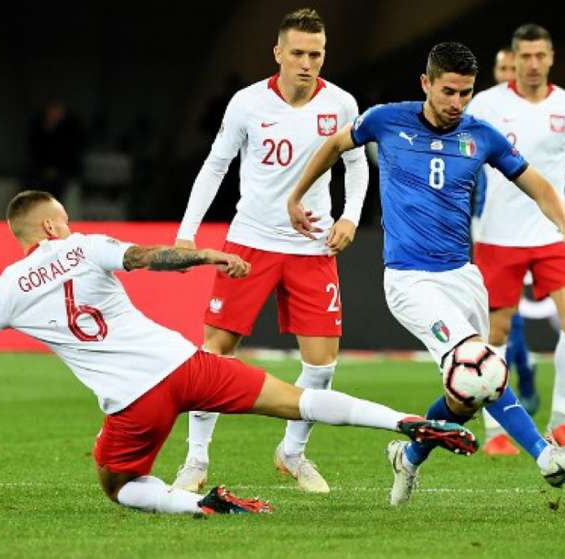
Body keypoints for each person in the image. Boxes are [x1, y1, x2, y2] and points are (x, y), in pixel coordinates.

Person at [0, 191, 477, 516]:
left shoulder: (5, 289)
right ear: (52, 228)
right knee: (300, 402)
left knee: (116, 485)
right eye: (63, 220)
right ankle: (403, 421)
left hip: (133, 404)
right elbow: (148, 258)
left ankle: (197, 506)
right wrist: (212, 256)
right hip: (185, 364)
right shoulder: (86, 246)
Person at [287, 42, 565, 506]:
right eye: (448, 91)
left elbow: (535, 181)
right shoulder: (384, 120)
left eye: (466, 93)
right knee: (481, 369)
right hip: (411, 280)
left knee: (464, 397)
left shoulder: (481, 135)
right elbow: (334, 145)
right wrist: (298, 196)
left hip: (463, 277)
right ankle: (545, 456)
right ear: (426, 84)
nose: (457, 103)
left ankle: (408, 458)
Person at [172, 8, 369, 494]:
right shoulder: (247, 103)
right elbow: (215, 165)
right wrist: (186, 234)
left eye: (316, 54)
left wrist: (349, 217)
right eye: (298, 53)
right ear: (278, 53)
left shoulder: (342, 104)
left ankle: (293, 452)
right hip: (250, 242)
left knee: (322, 362)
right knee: (215, 353)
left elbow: (358, 165)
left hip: (312, 246)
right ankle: (195, 459)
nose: (307, 63)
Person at [467, 24, 565, 449]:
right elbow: (465, 168)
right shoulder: (486, 104)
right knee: (497, 332)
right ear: (514, 58)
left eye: (539, 56)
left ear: (551, 58)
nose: (531, 64)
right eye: (524, 56)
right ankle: (494, 432)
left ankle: (561, 419)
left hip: (553, 234)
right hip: (497, 235)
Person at [472, 45, 538, 456]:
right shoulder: (480, 116)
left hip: (525, 231)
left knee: (505, 322)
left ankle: (520, 377)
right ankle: (515, 381)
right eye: (501, 68)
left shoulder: (520, 125)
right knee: (495, 319)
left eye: (512, 68)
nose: (507, 73)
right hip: (484, 231)